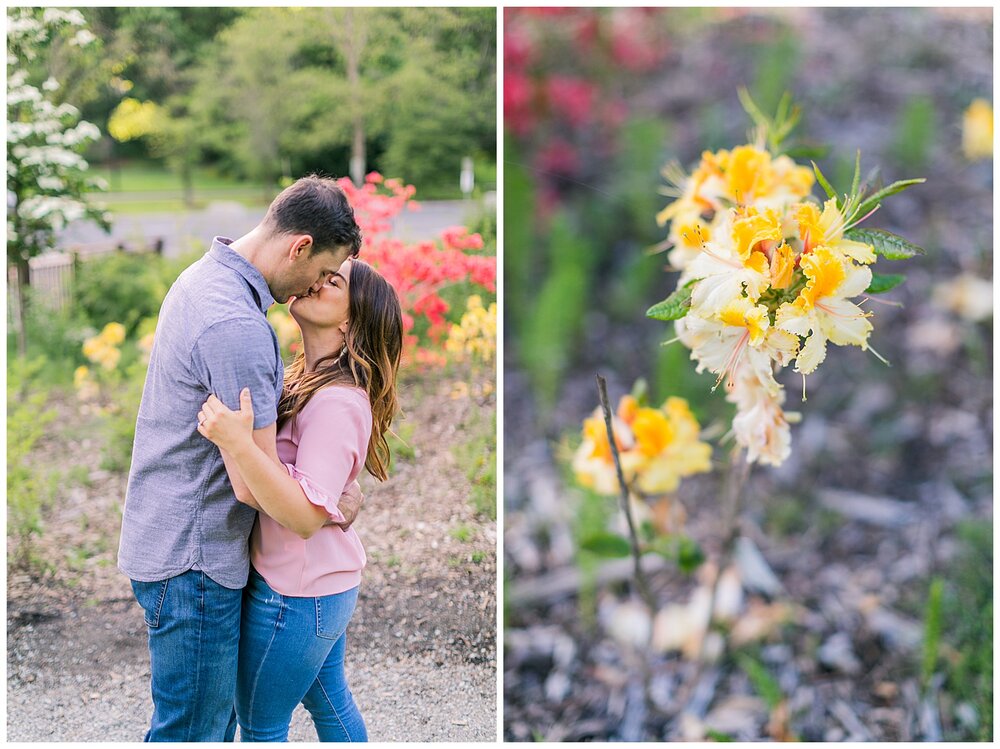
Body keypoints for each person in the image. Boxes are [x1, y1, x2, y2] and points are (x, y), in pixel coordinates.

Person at [118, 175, 363, 742]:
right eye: (324, 272)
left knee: (197, 725)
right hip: (195, 555)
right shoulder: (238, 326)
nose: (319, 285)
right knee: (195, 733)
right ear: (299, 245)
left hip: (174, 541)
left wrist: (334, 487)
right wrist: (324, 504)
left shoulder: (206, 280)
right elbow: (254, 486)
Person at [197, 257, 403, 742]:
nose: (317, 279)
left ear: (353, 318)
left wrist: (238, 443)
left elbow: (308, 516)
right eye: (322, 271)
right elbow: (324, 492)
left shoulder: (337, 401)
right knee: (331, 703)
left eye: (335, 281)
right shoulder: (305, 381)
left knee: (262, 726)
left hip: (297, 592)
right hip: (317, 585)